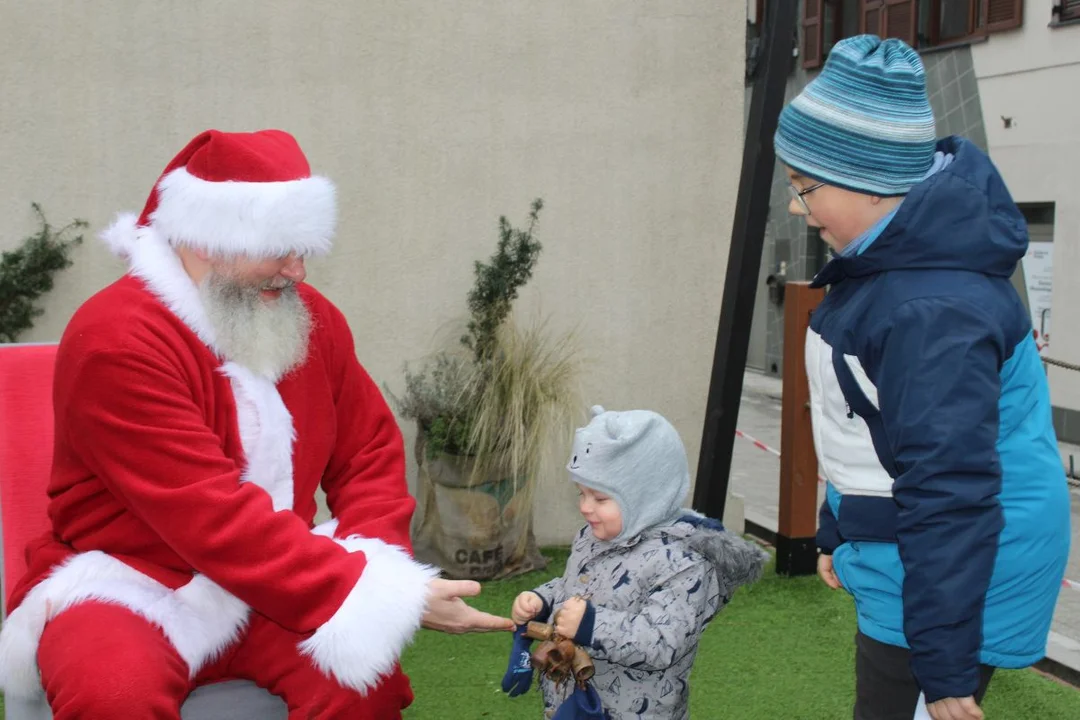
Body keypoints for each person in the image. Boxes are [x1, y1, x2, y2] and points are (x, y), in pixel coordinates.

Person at [0, 128, 513, 719]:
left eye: (304, 248)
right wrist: (368, 593)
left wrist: (379, 560)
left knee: (363, 684)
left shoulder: (312, 322)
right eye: (281, 248)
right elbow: (208, 514)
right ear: (211, 239)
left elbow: (368, 451)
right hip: (131, 582)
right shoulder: (115, 341)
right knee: (112, 697)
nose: (298, 270)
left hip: (276, 579)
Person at [773, 35, 1071, 720]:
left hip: (952, 578)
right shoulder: (887, 268)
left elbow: (949, 488)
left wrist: (945, 670)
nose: (796, 207)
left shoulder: (929, 311)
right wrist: (839, 529)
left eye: (805, 187)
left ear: (870, 180)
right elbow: (861, 424)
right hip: (914, 556)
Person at [501, 405, 768, 719]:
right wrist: (544, 600)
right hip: (574, 701)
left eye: (600, 498)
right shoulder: (595, 534)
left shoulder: (684, 561)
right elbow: (579, 587)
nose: (585, 507)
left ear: (647, 496)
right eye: (581, 493)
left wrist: (591, 625)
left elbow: (662, 641)